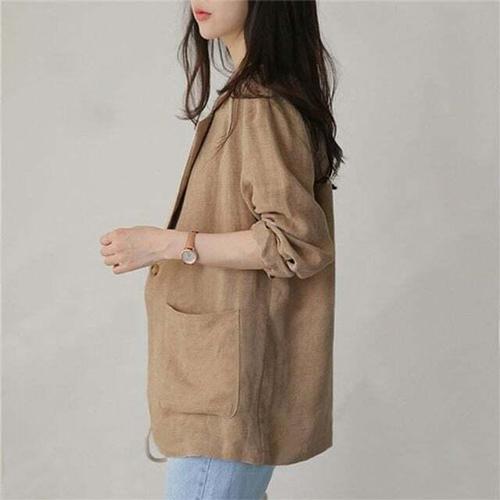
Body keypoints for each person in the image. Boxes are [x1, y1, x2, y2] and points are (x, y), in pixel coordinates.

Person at [99, 0, 344, 498]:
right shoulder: (253, 98)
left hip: (225, 398)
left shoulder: (260, 106)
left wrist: (165, 244)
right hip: (220, 389)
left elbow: (294, 241)